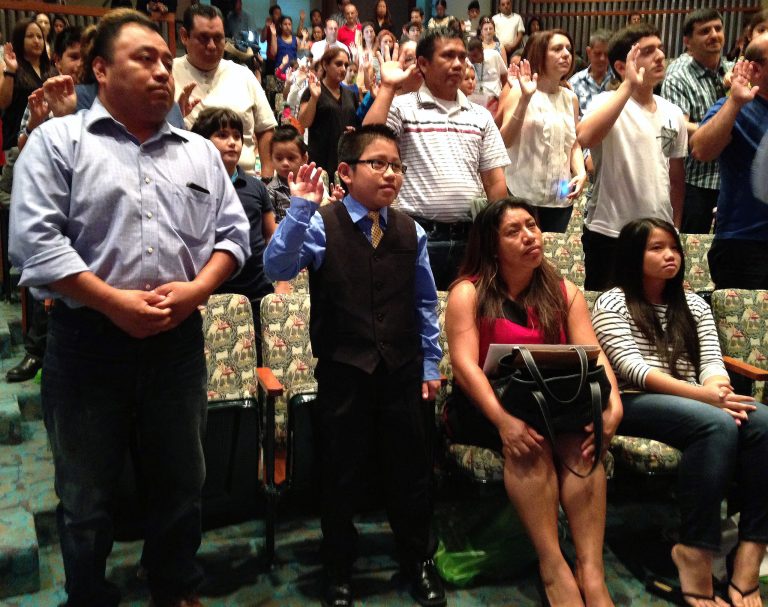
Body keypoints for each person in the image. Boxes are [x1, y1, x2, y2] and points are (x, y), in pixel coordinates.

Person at [8, 10, 250, 606]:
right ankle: (89, 595)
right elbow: (35, 243)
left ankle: (173, 585)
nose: (162, 70)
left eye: (165, 61)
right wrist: (111, 302)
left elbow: (234, 237)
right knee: (86, 495)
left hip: (176, 343)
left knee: (180, 483)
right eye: (144, 58)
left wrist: (196, 291)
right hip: (88, 341)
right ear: (100, 68)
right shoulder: (58, 142)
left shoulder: (197, 152)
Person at [263, 125, 446, 607]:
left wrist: (430, 362)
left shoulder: (411, 230)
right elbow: (276, 269)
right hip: (344, 370)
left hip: (403, 369)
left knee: (411, 471)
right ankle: (338, 566)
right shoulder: (322, 223)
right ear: (345, 171)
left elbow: (425, 303)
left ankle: (418, 559)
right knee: (340, 472)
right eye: (378, 163)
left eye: (397, 165)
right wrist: (300, 206)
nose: (391, 174)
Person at [445, 197, 622, 607]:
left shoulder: (565, 291)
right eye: (514, 231)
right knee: (530, 444)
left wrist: (613, 407)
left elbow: (593, 353)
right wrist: (503, 421)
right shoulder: (468, 292)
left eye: (532, 226)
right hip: (487, 405)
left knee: (583, 446)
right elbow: (465, 366)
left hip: (551, 400)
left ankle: (591, 572)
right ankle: (553, 565)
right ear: (491, 245)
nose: (529, 237)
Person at [592, 218, 768, 607]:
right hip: (636, 401)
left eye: (673, 247)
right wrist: (706, 399)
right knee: (717, 423)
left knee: (764, 422)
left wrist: (716, 386)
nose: (670, 255)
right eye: (656, 248)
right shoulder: (613, 302)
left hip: (696, 401)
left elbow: (710, 359)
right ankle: (695, 550)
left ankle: (750, 554)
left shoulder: (693, 304)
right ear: (633, 255)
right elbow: (635, 370)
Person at [363, 26, 508, 289]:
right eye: (448, 56)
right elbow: (367, 146)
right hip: (416, 234)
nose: (458, 64)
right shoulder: (403, 107)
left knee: (465, 315)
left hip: (470, 236)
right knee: (415, 317)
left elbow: (495, 182)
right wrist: (387, 87)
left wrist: (496, 234)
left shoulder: (480, 115)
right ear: (423, 64)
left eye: (462, 57)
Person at [577, 23, 687, 291]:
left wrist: (674, 230)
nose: (660, 56)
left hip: (658, 234)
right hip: (609, 232)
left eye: (660, 48)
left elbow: (676, 178)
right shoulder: (606, 101)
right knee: (606, 317)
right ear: (621, 65)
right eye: (648, 51)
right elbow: (585, 137)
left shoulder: (673, 112)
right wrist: (627, 85)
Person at [5, 25, 83, 384]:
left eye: (86, 56)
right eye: (73, 56)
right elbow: (24, 152)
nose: (80, 64)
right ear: (58, 60)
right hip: (54, 204)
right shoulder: (44, 95)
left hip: (88, 211)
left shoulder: (106, 99)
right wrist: (38, 123)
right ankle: (36, 352)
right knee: (45, 272)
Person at [191, 107, 278, 361]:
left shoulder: (254, 187)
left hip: (257, 291)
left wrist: (280, 282)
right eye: (222, 135)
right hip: (210, 293)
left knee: (261, 363)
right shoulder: (194, 184)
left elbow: (271, 235)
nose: (232, 142)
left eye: (237, 136)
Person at [689, 34, 768, 289]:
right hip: (745, 244)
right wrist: (734, 101)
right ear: (755, 68)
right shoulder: (734, 106)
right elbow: (701, 149)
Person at [174, 4, 277, 177]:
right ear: (184, 36)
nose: (212, 46)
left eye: (218, 38)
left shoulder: (244, 75)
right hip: (189, 180)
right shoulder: (168, 74)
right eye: (204, 38)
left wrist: (267, 178)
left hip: (245, 182)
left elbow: (265, 128)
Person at [499, 30, 586, 233]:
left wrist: (580, 172)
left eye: (569, 49)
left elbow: (573, 144)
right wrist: (525, 100)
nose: (566, 54)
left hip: (560, 197)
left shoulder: (570, 97)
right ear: (540, 55)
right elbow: (505, 141)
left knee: (552, 260)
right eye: (557, 49)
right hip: (523, 195)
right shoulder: (520, 91)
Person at [661, 9, 732, 234]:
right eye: (704, 31)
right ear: (687, 42)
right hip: (697, 182)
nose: (714, 35)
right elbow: (679, 126)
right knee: (693, 254)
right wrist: (721, 129)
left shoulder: (734, 71)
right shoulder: (678, 77)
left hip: (733, 181)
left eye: (718, 29)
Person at [0, 19, 57, 198]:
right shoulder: (12, 67)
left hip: (49, 143)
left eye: (40, 36)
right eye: (30, 36)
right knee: (19, 198)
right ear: (19, 40)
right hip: (18, 142)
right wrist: (10, 71)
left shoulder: (52, 70)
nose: (36, 40)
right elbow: (3, 103)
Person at [299, 47, 358, 178]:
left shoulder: (351, 95)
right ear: (325, 65)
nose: (343, 69)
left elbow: (355, 125)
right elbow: (304, 122)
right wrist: (314, 98)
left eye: (346, 65)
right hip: (321, 162)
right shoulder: (312, 91)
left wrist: (354, 132)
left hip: (345, 162)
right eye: (338, 64)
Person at [568, 29, 613, 116]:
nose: (602, 58)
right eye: (597, 54)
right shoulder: (574, 83)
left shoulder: (620, 81)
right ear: (589, 52)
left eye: (607, 54)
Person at [467, 37, 506, 111]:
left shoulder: (494, 55)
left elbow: (504, 76)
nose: (472, 59)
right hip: (473, 102)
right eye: (469, 56)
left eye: (475, 56)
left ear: (482, 51)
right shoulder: (467, 62)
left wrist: (503, 97)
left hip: (494, 99)